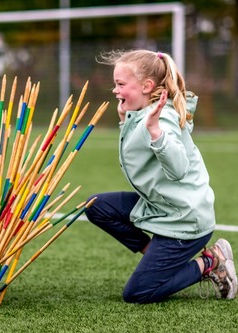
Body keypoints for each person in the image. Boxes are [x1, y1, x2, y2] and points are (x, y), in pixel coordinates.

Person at [85, 49, 237, 304]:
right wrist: (125, 121)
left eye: (120, 84)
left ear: (147, 86)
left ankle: (211, 261)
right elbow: (138, 151)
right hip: (160, 208)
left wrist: (156, 132)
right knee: (96, 206)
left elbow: (178, 169)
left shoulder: (161, 117)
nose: (115, 90)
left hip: (185, 221)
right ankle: (153, 255)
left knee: (137, 293)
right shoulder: (144, 111)